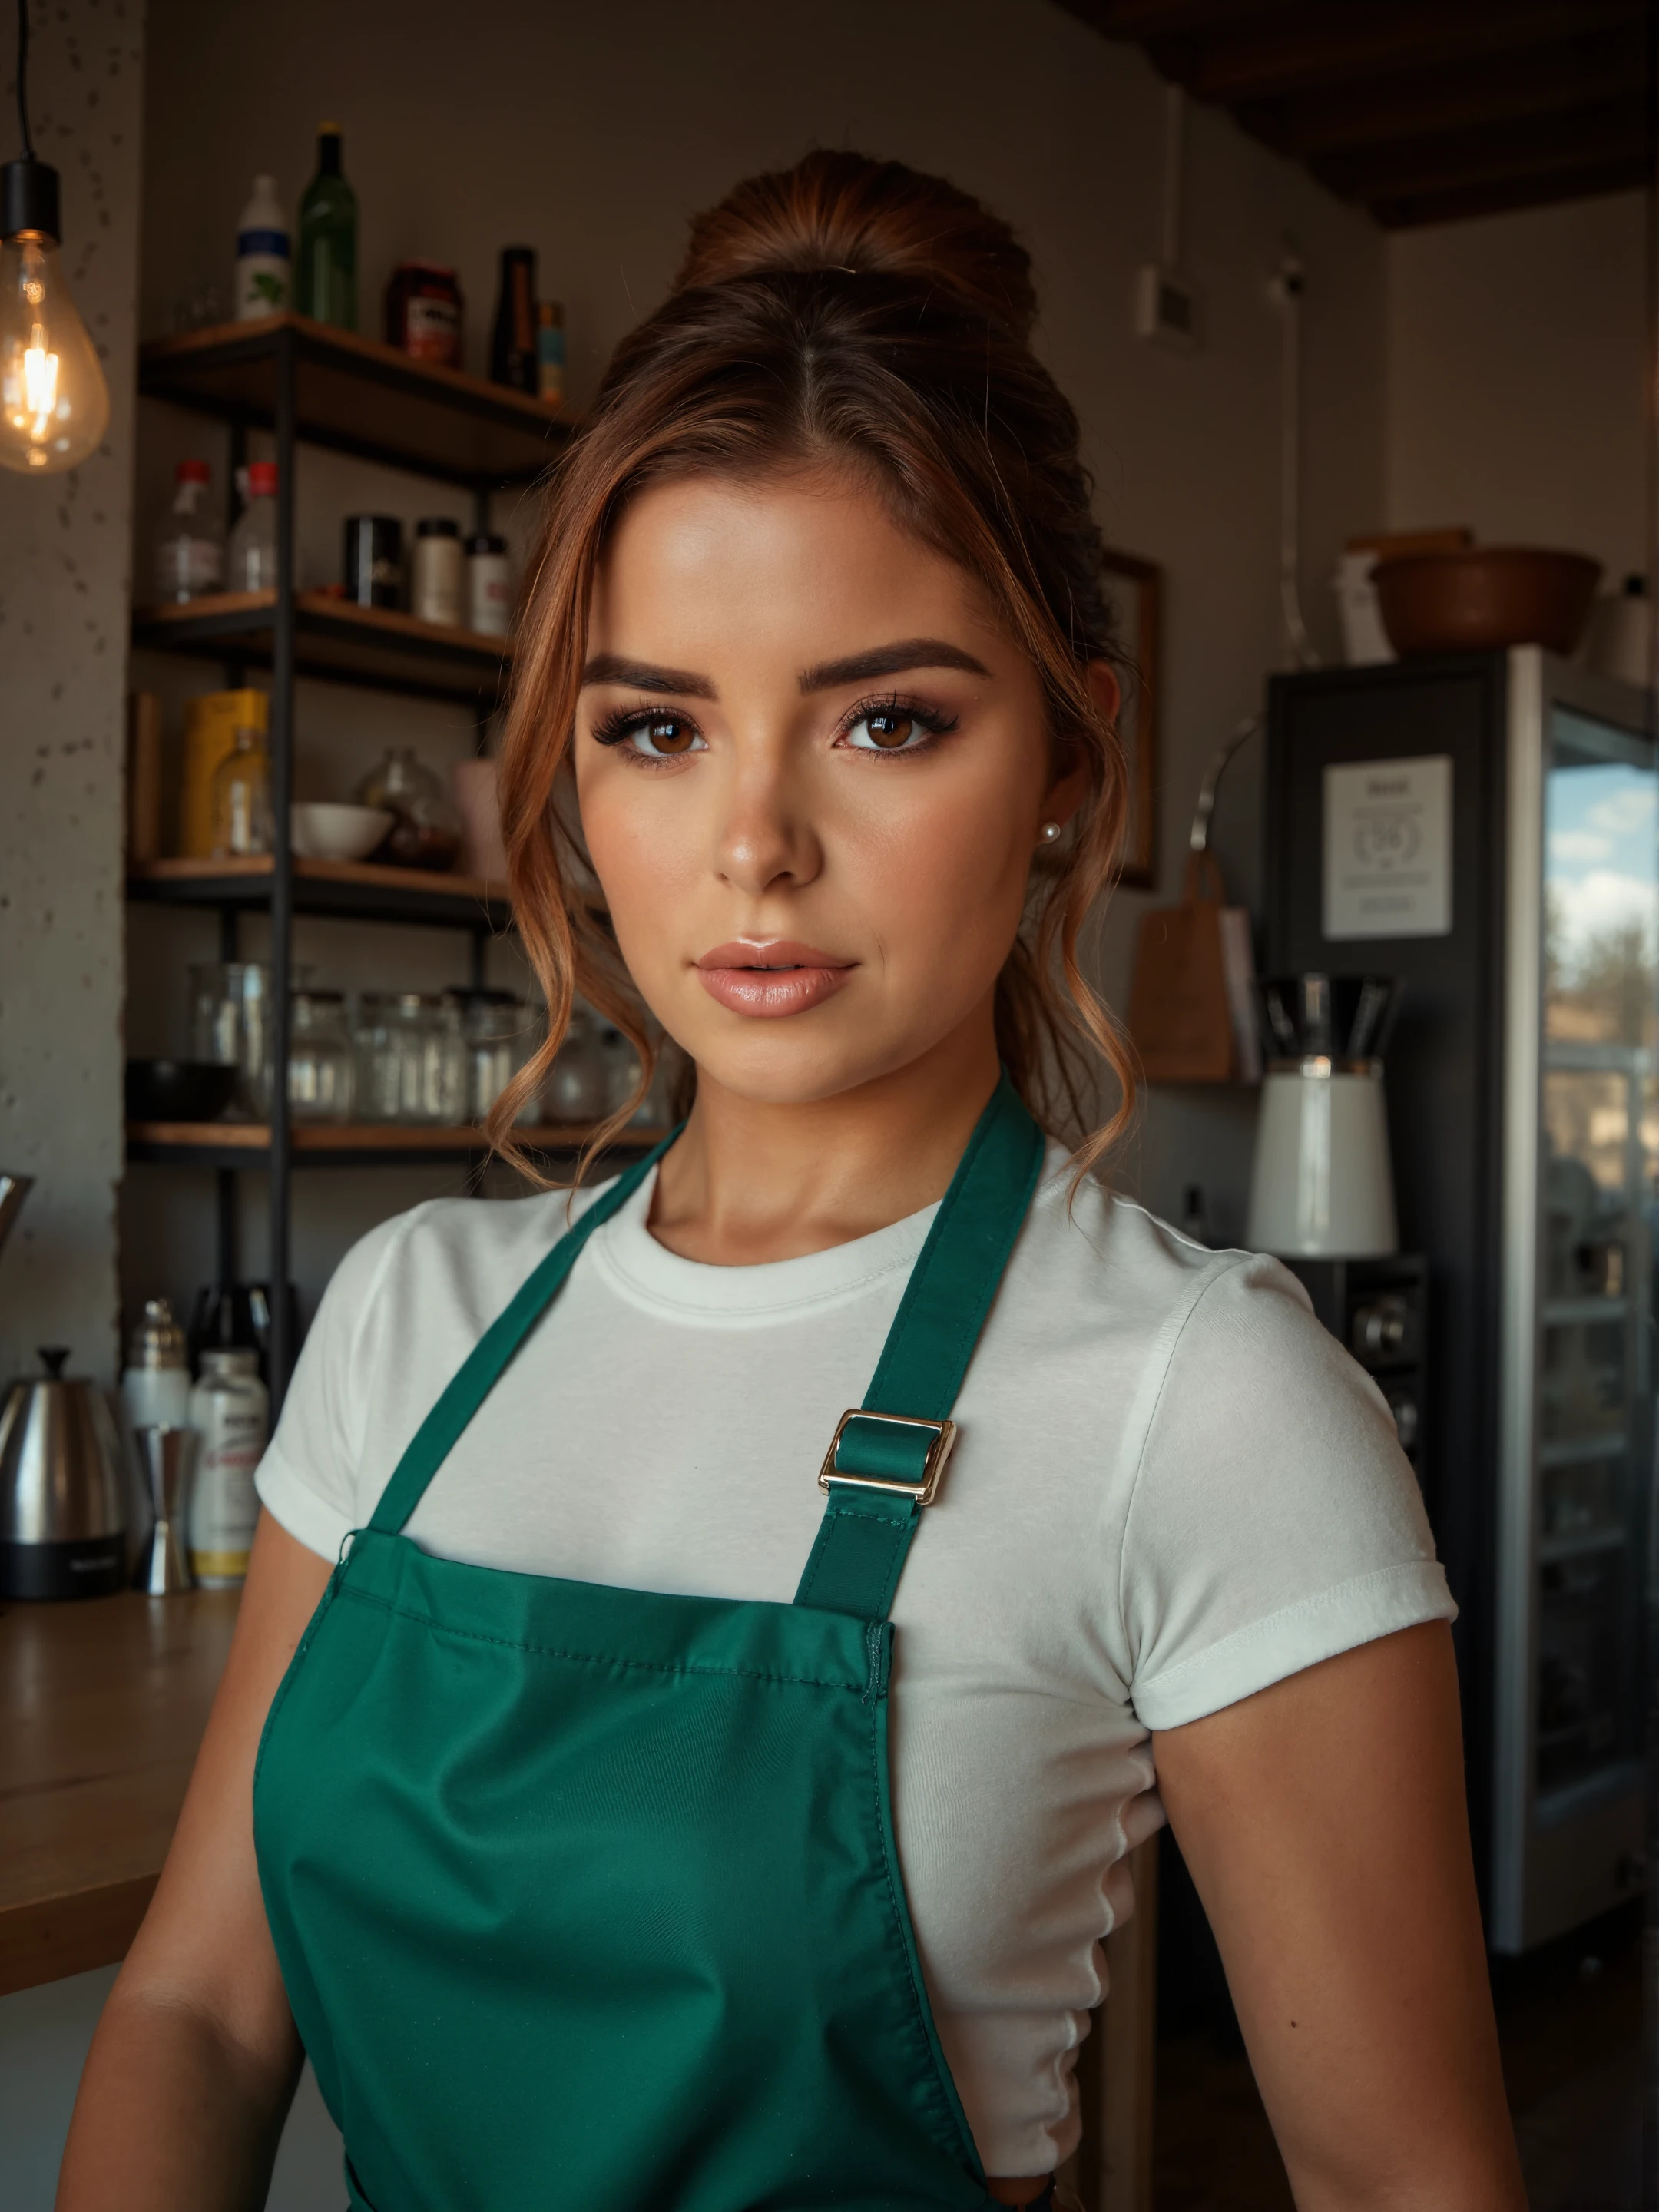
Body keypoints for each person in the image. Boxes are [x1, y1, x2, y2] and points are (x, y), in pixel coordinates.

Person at [58, 152, 1524, 2212]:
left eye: (888, 723)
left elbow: (1407, 2187)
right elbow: (200, 2018)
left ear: (1069, 769)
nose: (753, 844)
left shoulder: (1204, 1401)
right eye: (658, 730)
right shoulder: (414, 1315)